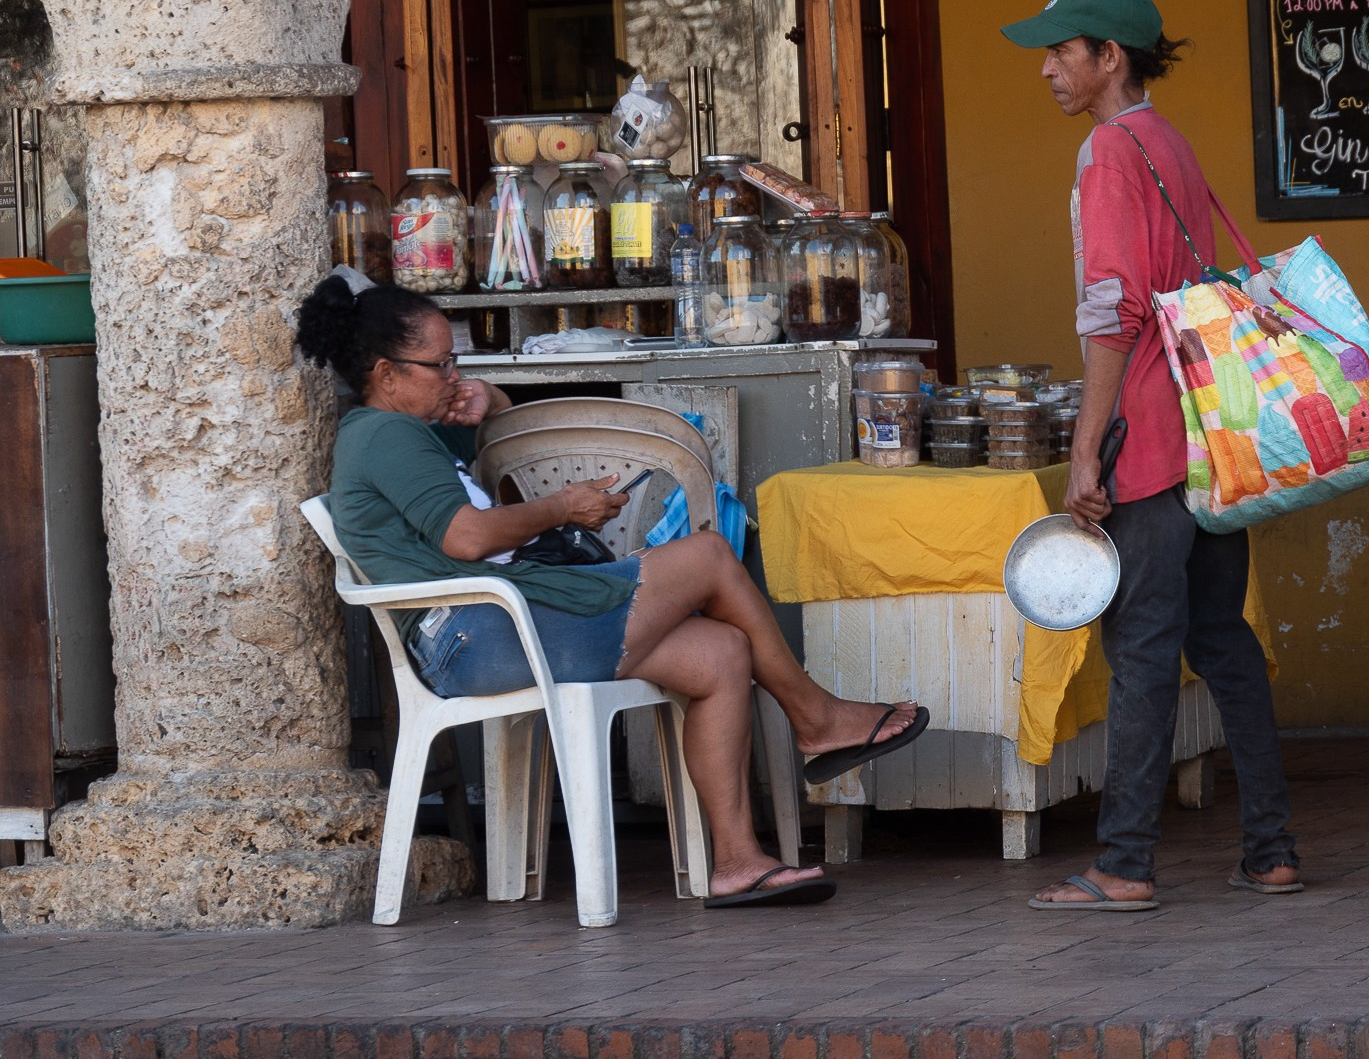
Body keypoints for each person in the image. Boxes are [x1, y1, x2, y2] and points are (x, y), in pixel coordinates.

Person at [294, 274, 928, 908]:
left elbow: (485, 460)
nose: (454, 375)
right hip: (473, 636)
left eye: (457, 360)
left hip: (501, 623)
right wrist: (563, 507)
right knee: (708, 555)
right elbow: (467, 537)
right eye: (441, 364)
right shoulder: (385, 435)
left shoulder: (411, 429)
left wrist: (490, 399)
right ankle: (815, 718)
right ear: (387, 373)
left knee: (720, 653)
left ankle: (737, 862)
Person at [1001, 0, 1301, 910]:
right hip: (1214, 440)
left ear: (1109, 58)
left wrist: (1087, 444)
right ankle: (1272, 849)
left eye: (1063, 50)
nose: (1048, 67)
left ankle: (1124, 863)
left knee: (1141, 648)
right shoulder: (1167, 139)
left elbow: (1112, 311)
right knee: (1222, 638)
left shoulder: (1106, 150)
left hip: (1151, 437)